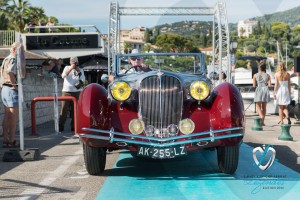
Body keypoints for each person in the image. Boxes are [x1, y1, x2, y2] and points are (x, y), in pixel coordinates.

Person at [0, 42, 20, 147]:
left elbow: (2, 71)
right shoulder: (13, 59)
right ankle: (12, 140)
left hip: (4, 89)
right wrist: (15, 86)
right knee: (13, 116)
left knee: (7, 115)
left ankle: (5, 140)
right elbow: (10, 72)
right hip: (11, 88)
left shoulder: (5, 59)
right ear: (15, 49)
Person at [59, 56, 85, 132]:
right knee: (64, 109)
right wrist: (71, 68)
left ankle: (74, 127)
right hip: (66, 92)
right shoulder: (67, 68)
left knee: (75, 110)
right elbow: (63, 76)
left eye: (75, 62)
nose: (74, 63)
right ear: (70, 62)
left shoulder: (80, 70)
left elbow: (83, 80)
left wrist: (77, 70)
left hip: (76, 92)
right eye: (72, 62)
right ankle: (61, 126)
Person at [253, 61, 271, 126]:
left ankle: (261, 116)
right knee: (264, 107)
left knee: (258, 106)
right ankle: (262, 122)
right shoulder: (268, 75)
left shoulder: (255, 75)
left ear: (259, 68)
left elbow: (254, 85)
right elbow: (269, 85)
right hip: (265, 90)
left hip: (259, 90)